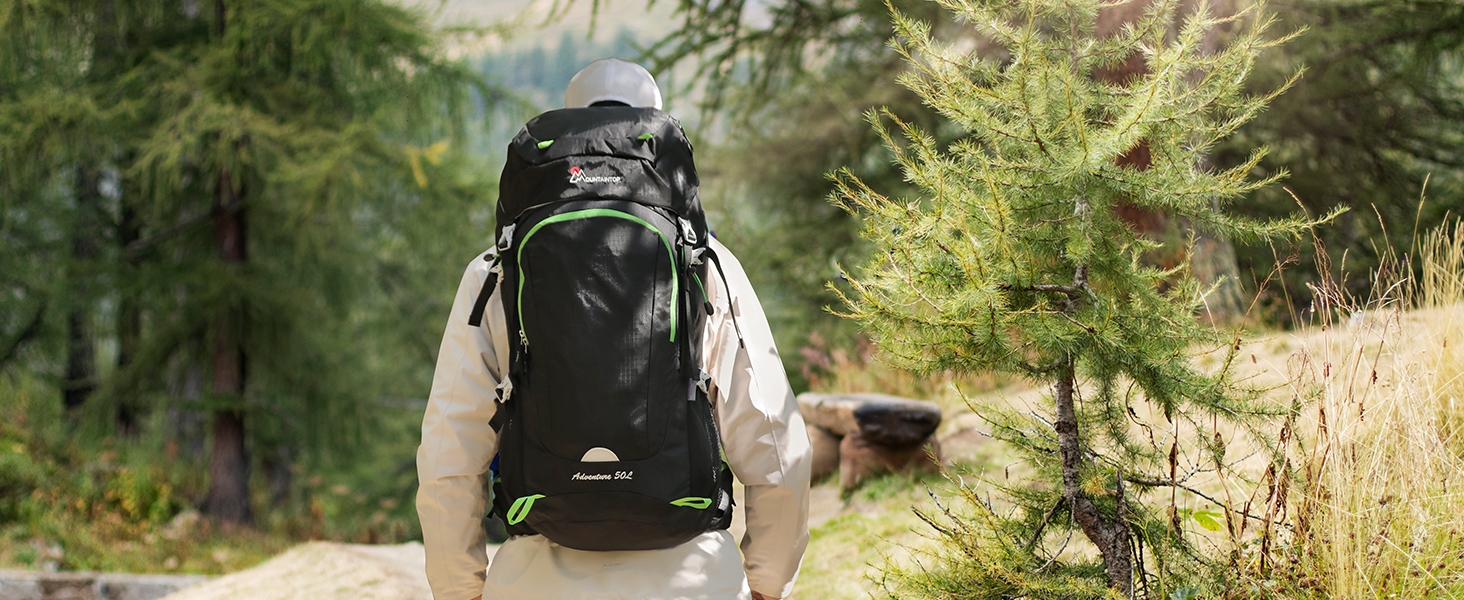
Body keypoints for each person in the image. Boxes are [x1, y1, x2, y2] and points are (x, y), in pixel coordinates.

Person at [416, 58, 813, 600]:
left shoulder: (496, 270)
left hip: (534, 578)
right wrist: (767, 581)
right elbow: (774, 439)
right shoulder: (707, 264)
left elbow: (449, 451)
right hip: (692, 580)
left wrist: (460, 588)